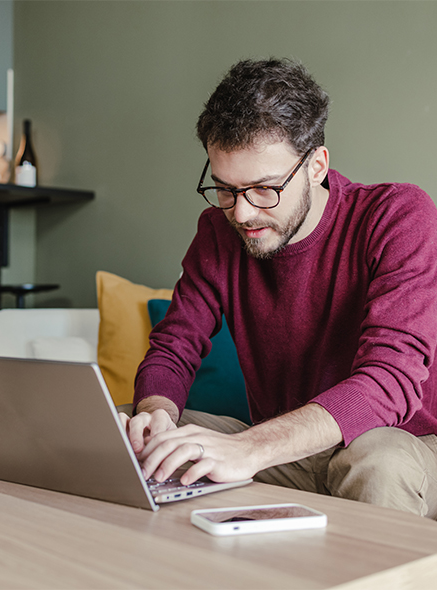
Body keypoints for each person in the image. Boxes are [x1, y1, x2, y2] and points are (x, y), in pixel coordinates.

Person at [120, 58, 437, 517]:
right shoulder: (219, 230)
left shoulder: (397, 216)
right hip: (289, 449)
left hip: (408, 442)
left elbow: (390, 380)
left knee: (375, 460)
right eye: (225, 189)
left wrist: (251, 448)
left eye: (264, 189)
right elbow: (175, 345)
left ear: (316, 166)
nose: (243, 213)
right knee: (126, 432)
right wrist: (156, 417)